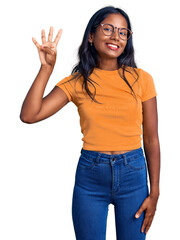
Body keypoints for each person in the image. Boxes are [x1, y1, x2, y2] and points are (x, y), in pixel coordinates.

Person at [20, 5, 160, 240]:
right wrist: (46, 68)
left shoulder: (142, 80)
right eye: (108, 28)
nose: (116, 36)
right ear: (91, 36)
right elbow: (30, 115)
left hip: (133, 176)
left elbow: (152, 138)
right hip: (91, 177)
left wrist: (154, 191)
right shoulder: (78, 82)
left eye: (123, 32)